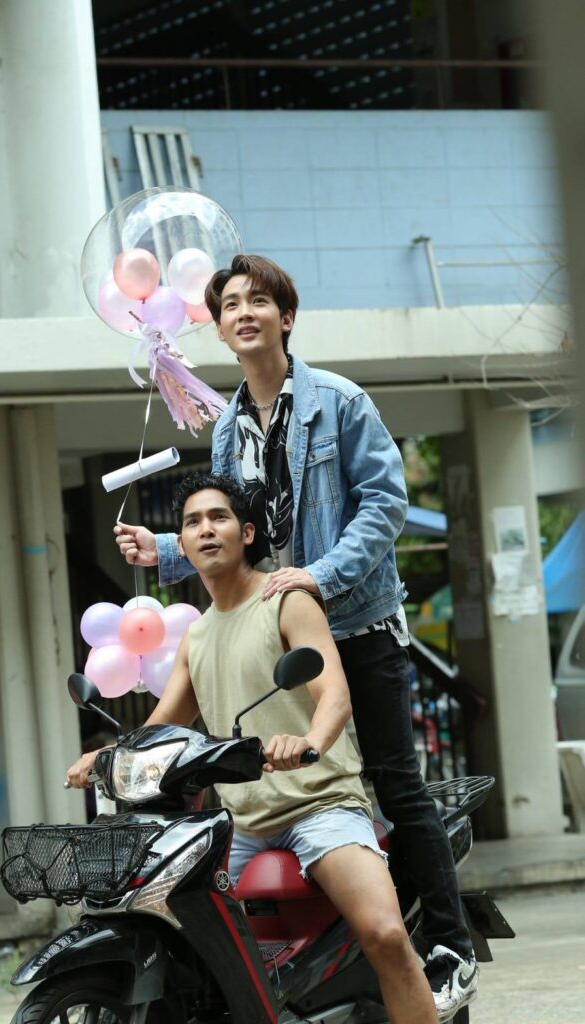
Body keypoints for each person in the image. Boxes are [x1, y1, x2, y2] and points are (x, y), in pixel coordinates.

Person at [113, 255, 478, 1021]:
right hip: (275, 630)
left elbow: (385, 504)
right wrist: (165, 550)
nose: (244, 313)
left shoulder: (338, 402)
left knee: (393, 778)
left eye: (259, 301)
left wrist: (318, 575)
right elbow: (237, 528)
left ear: (286, 317)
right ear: (218, 328)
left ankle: (450, 947)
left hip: (355, 620)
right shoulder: (227, 431)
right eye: (229, 304)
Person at [69, 473, 436, 1024]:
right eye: (192, 522)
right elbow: (163, 724)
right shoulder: (197, 636)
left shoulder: (287, 601)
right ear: (182, 544)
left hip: (320, 806)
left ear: (245, 534)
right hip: (239, 824)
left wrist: (309, 742)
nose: (205, 529)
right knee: (179, 942)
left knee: (384, 934)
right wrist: (107, 757)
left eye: (218, 518)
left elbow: (334, 694)